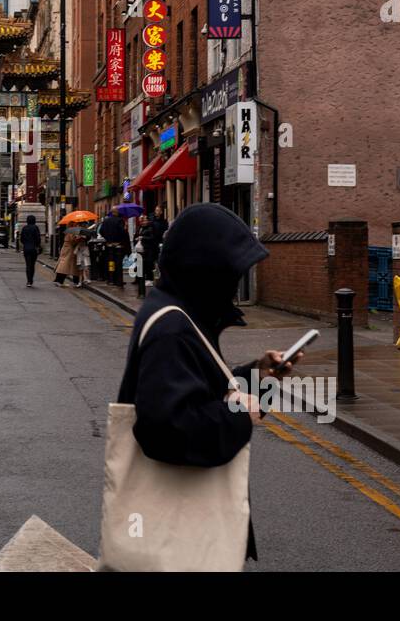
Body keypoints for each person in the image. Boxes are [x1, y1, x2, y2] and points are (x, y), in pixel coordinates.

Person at [116, 203, 300, 564]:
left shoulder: (181, 314)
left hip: (184, 536)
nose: (233, 286)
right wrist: (239, 416)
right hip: (180, 543)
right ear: (205, 270)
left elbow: (203, 387)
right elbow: (166, 429)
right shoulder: (171, 328)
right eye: (229, 273)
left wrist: (258, 377)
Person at [99, 210, 131, 287]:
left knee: (110, 262)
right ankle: (118, 281)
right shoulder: (120, 220)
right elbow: (122, 232)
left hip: (109, 246)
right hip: (118, 246)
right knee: (118, 263)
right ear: (116, 213)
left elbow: (101, 231)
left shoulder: (106, 221)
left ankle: (110, 279)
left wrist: (107, 239)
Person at [141, 204, 168, 283]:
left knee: (159, 263)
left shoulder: (164, 222)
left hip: (160, 244)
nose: (156, 212)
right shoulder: (152, 221)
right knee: (150, 262)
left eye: (158, 210)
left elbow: (164, 232)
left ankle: (158, 278)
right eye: (155, 210)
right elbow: (149, 231)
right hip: (151, 245)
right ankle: (150, 278)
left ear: (161, 212)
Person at [19, 214, 42, 287]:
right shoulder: (35, 228)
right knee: (32, 265)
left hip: (26, 249)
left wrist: (25, 244)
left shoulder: (24, 228)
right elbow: (38, 239)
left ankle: (28, 281)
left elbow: (21, 239)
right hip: (34, 249)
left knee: (28, 265)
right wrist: (38, 245)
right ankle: (31, 280)